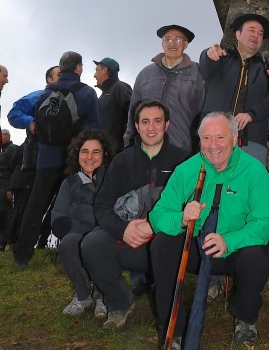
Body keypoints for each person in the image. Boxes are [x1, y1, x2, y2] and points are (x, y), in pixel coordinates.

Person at [149, 112, 269, 349]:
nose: (213, 145)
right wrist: (181, 218)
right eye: (206, 138)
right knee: (162, 245)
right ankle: (173, 328)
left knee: (255, 255)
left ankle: (245, 317)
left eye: (220, 137)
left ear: (234, 137)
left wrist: (229, 240)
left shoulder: (254, 171)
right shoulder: (186, 170)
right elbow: (158, 215)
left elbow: (265, 222)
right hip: (196, 247)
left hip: (234, 249)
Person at [81, 101, 187, 330]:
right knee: (92, 243)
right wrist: (124, 229)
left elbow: (190, 207)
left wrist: (155, 226)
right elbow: (102, 206)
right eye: (145, 121)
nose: (151, 127)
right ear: (136, 126)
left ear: (167, 124)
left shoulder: (183, 161)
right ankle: (119, 303)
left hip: (166, 240)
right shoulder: (121, 161)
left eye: (157, 121)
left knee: (169, 244)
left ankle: (170, 309)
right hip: (129, 240)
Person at [13, 52, 101, 268]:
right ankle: (70, 251)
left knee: (36, 203)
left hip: (46, 157)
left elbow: (19, 113)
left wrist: (31, 124)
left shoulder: (44, 94)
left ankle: (22, 254)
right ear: (79, 68)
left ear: (61, 70)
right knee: (74, 204)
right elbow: (97, 128)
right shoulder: (87, 93)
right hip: (74, 158)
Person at [199, 13, 269, 165]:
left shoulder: (268, 69)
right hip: (214, 138)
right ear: (238, 34)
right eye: (251, 30)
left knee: (249, 187)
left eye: (260, 34)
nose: (256, 35)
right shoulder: (221, 59)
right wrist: (208, 54)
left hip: (252, 142)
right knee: (209, 185)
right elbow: (206, 67)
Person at [51, 129, 115, 318]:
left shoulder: (113, 179)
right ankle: (83, 295)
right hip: (78, 230)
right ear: (77, 154)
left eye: (96, 152)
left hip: (105, 233)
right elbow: (58, 214)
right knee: (69, 243)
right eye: (84, 151)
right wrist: (73, 228)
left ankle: (104, 295)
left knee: (97, 243)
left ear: (105, 155)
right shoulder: (69, 183)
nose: (89, 157)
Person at [125, 24, 204, 155]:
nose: (172, 43)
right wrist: (128, 144)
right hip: (145, 151)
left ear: (186, 45)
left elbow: (205, 113)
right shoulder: (145, 74)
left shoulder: (199, 74)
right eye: (167, 39)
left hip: (182, 150)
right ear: (162, 43)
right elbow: (133, 113)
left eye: (178, 39)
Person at [7, 66, 61, 248]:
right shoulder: (37, 96)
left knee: (49, 202)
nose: (62, 78)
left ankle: (39, 242)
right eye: (59, 75)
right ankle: (13, 242)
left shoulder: (70, 100)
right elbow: (13, 113)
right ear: (49, 79)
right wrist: (29, 121)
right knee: (27, 201)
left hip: (58, 160)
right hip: (35, 156)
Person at [94, 57, 131, 152]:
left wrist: (126, 142)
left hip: (117, 153)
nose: (94, 75)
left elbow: (134, 114)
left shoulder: (120, 87)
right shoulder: (102, 96)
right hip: (103, 152)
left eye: (96, 70)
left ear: (104, 70)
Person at [0, 129, 17, 249]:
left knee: (6, 213)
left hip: (6, 186)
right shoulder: (3, 151)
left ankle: (6, 243)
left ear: (7, 136)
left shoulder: (12, 149)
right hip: (1, 185)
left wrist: (10, 189)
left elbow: (13, 169)